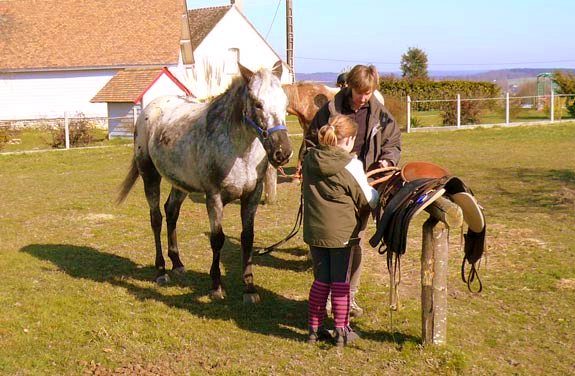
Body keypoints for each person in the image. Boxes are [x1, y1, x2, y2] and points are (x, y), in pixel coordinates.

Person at [305, 64, 401, 317]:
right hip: (329, 188)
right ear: (349, 87)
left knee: (353, 240)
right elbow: (311, 142)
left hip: (362, 185)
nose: (364, 98)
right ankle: (326, 298)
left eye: (368, 93)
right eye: (360, 92)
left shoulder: (380, 114)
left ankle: (349, 296)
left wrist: (387, 161)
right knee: (326, 243)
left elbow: (393, 142)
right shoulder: (329, 111)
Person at [303, 114, 379, 347]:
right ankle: (340, 329)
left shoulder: (309, 159)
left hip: (315, 231)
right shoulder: (350, 165)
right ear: (348, 139)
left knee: (321, 281)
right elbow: (368, 199)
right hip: (342, 234)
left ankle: (314, 329)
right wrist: (375, 191)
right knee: (340, 283)